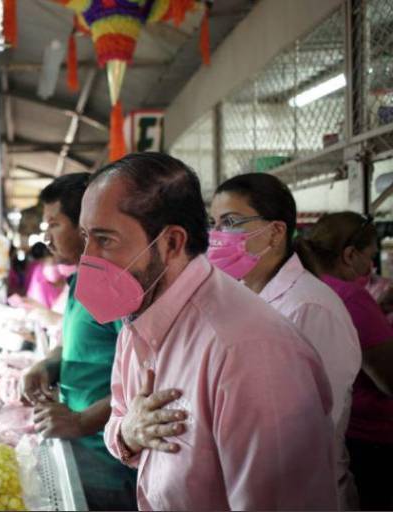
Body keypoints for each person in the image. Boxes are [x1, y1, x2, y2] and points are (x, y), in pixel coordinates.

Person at [77, 153, 337, 510]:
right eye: (85, 237)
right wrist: (128, 433)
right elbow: (120, 419)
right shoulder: (137, 318)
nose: (87, 259)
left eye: (105, 240)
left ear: (171, 243)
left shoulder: (248, 351)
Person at [208, 173, 362, 509]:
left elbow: (312, 424)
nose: (217, 236)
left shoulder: (310, 308)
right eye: (213, 224)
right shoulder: (240, 296)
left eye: (230, 222)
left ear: (276, 232)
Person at [20, 173, 137, 510]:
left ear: (85, 225)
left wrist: (82, 421)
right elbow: (76, 343)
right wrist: (48, 365)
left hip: (110, 460)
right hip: (80, 447)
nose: (47, 237)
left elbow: (146, 378)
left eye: (54, 224)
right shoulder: (81, 278)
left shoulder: (114, 286)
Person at [294, 212, 393, 510]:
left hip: (336, 431)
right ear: (350, 255)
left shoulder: (306, 286)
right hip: (371, 437)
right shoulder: (352, 297)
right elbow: (389, 380)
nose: (370, 266)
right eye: (369, 256)